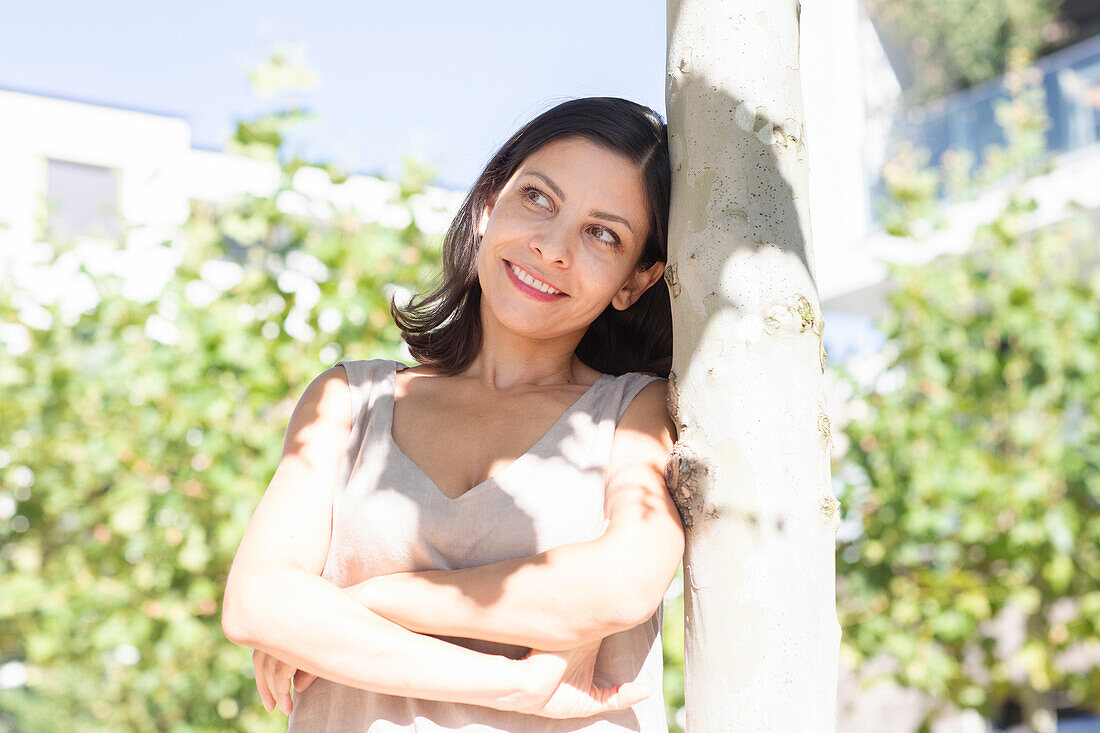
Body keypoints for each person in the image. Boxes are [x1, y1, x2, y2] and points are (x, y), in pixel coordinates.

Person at [221, 97, 685, 731]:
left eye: (602, 234)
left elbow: (621, 585)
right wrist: (515, 684)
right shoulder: (348, 402)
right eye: (539, 199)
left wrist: (368, 602)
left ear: (636, 279)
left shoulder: (638, 410)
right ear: (489, 202)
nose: (552, 247)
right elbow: (256, 602)